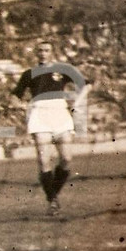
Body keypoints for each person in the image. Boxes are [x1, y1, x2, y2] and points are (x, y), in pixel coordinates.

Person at [12, 40, 87, 216]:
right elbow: (15, 95)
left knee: (67, 159)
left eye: (46, 50)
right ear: (36, 53)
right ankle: (53, 200)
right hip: (40, 116)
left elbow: (86, 84)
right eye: (40, 51)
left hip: (60, 113)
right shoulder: (29, 73)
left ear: (52, 52)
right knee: (44, 160)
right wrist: (22, 106)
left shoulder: (64, 69)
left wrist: (77, 102)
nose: (43, 53)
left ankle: (52, 193)